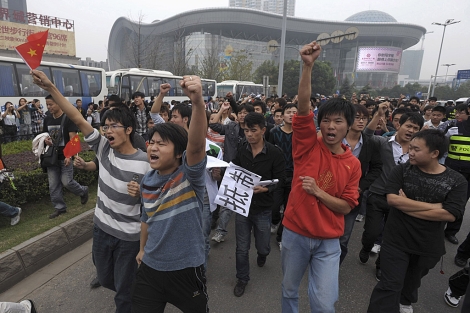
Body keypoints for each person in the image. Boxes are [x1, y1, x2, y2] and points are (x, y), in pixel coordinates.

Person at [32, 70, 150, 313]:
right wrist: (51, 87)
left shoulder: (146, 162)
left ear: (129, 130)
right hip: (102, 229)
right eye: (105, 126)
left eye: (114, 126)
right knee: (106, 278)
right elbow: (76, 116)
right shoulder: (103, 148)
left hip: (129, 238)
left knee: (124, 295)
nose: (107, 131)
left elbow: (156, 201)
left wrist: (142, 194)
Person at [281, 41, 361, 313]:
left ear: (348, 126)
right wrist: (307, 66)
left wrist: (318, 192)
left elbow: (347, 206)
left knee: (325, 304)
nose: (331, 126)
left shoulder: (353, 164)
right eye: (326, 119)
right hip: (295, 234)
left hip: (329, 242)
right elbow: (303, 108)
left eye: (338, 121)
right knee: (289, 291)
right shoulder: (306, 145)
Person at [367, 129, 468, 313]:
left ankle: (405, 301)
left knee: (412, 282)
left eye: (416, 149)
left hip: (428, 246)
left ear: (434, 153)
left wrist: (408, 205)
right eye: (410, 148)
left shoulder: (457, 181)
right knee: (389, 285)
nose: (410, 152)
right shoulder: (402, 170)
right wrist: (437, 206)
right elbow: (392, 200)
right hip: (395, 240)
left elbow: (451, 214)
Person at [131, 75, 209, 313]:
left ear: (178, 153)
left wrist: (197, 103)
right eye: (151, 143)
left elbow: (195, 146)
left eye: (161, 144)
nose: (153, 147)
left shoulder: (189, 176)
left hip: (187, 270)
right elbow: (146, 219)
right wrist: (142, 250)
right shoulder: (147, 180)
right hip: (151, 270)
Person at [359, 105, 424, 280]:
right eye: (408, 126)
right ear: (398, 125)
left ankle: (381, 265)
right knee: (371, 232)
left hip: (400, 200)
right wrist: (378, 115)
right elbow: (366, 136)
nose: (411, 130)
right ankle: (366, 247)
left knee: (390, 237)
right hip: (377, 195)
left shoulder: (418, 151)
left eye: (415, 128)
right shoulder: (383, 143)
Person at [232, 112, 285, 297]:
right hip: (242, 206)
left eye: (253, 130)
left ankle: (262, 254)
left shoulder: (275, 153)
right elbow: (234, 169)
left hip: (263, 208)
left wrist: (267, 189)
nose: (249, 134)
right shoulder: (242, 148)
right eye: (246, 130)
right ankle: (242, 278)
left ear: (263, 130)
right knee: (241, 247)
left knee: (263, 246)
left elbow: (280, 180)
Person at [339, 104, 382, 264]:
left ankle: (335, 266)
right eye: (357, 117)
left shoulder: (371, 143)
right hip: (331, 193)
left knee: (344, 236)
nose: (361, 121)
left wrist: (361, 185)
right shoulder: (334, 138)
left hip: (353, 196)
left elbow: (377, 168)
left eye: (364, 118)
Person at [41, 95, 89, 219]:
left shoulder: (68, 118)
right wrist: (46, 140)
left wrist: (69, 155)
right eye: (47, 104)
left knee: (67, 182)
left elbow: (74, 138)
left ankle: (83, 191)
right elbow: (45, 134)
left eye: (51, 104)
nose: (49, 107)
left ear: (58, 103)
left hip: (65, 156)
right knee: (53, 184)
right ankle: (59, 208)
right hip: (52, 157)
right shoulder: (47, 119)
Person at [269, 104, 297, 248]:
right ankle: (275, 221)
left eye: (295, 112)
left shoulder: (301, 134)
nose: (292, 115)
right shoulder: (274, 132)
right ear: (282, 115)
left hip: (295, 176)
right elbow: (269, 153)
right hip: (278, 175)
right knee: (274, 207)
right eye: (289, 112)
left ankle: (281, 236)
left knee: (288, 209)